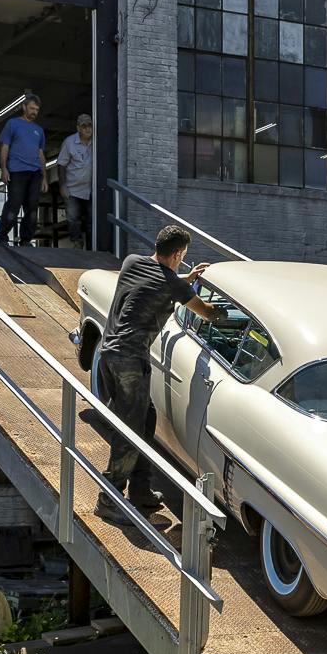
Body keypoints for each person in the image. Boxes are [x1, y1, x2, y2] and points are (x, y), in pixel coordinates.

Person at [93, 225, 218, 524]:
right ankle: (108, 498)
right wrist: (224, 313)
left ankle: (140, 489)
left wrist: (184, 281)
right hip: (129, 362)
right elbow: (207, 313)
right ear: (176, 254)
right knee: (131, 429)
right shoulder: (173, 286)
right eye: (183, 257)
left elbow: (155, 284)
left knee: (146, 418)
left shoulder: (132, 262)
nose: (182, 261)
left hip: (107, 354)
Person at [0, 94, 46, 246]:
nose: (34, 112)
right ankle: (2, 237)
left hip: (35, 173)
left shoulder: (39, 130)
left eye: (37, 110)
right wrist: (4, 169)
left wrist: (44, 177)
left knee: (32, 209)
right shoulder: (12, 124)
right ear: (24, 107)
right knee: (14, 205)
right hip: (17, 171)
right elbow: (4, 147)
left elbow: (41, 153)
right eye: (31, 108)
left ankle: (26, 239)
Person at [50, 113, 97, 248]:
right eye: (84, 126)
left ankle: (91, 247)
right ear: (78, 128)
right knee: (73, 219)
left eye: (90, 125)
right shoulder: (69, 142)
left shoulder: (97, 142)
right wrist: (62, 186)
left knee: (91, 220)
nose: (88, 129)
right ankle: (77, 242)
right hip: (73, 188)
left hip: (91, 189)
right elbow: (61, 165)